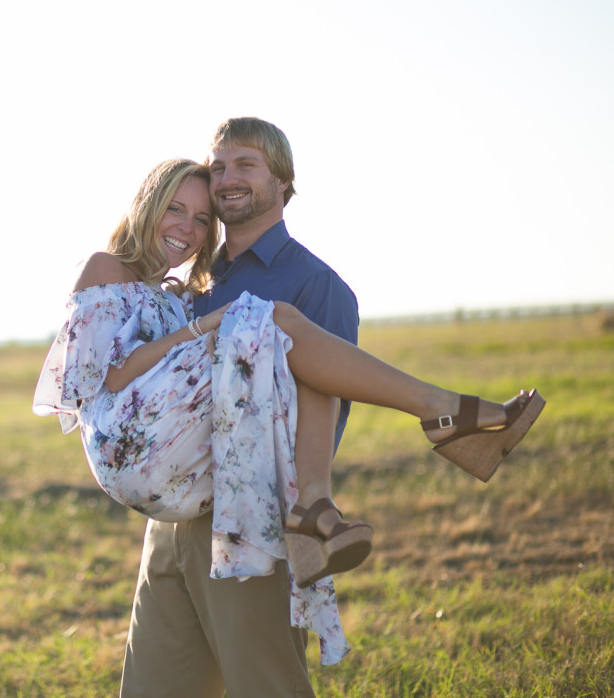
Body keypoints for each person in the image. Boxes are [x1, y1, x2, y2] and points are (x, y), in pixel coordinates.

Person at [32, 120, 543, 698]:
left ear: (283, 182)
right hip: (170, 517)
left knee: (265, 685)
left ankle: (441, 415)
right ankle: (445, 414)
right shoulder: (193, 285)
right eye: (219, 166)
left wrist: (309, 501)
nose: (226, 180)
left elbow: (321, 401)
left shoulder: (314, 283)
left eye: (245, 165)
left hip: (244, 511)